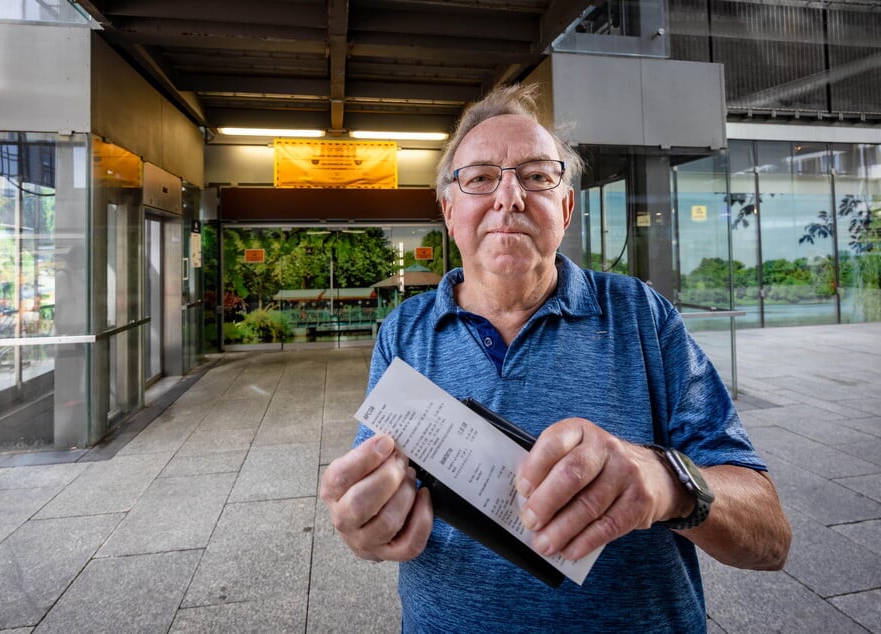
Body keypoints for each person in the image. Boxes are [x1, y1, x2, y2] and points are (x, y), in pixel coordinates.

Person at [319, 83, 792, 632]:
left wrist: (667, 482)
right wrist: (367, 524)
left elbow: (771, 537)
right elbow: (377, 495)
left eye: (537, 176)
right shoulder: (405, 330)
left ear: (565, 207)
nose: (509, 198)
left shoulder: (642, 317)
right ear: (449, 211)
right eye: (478, 179)